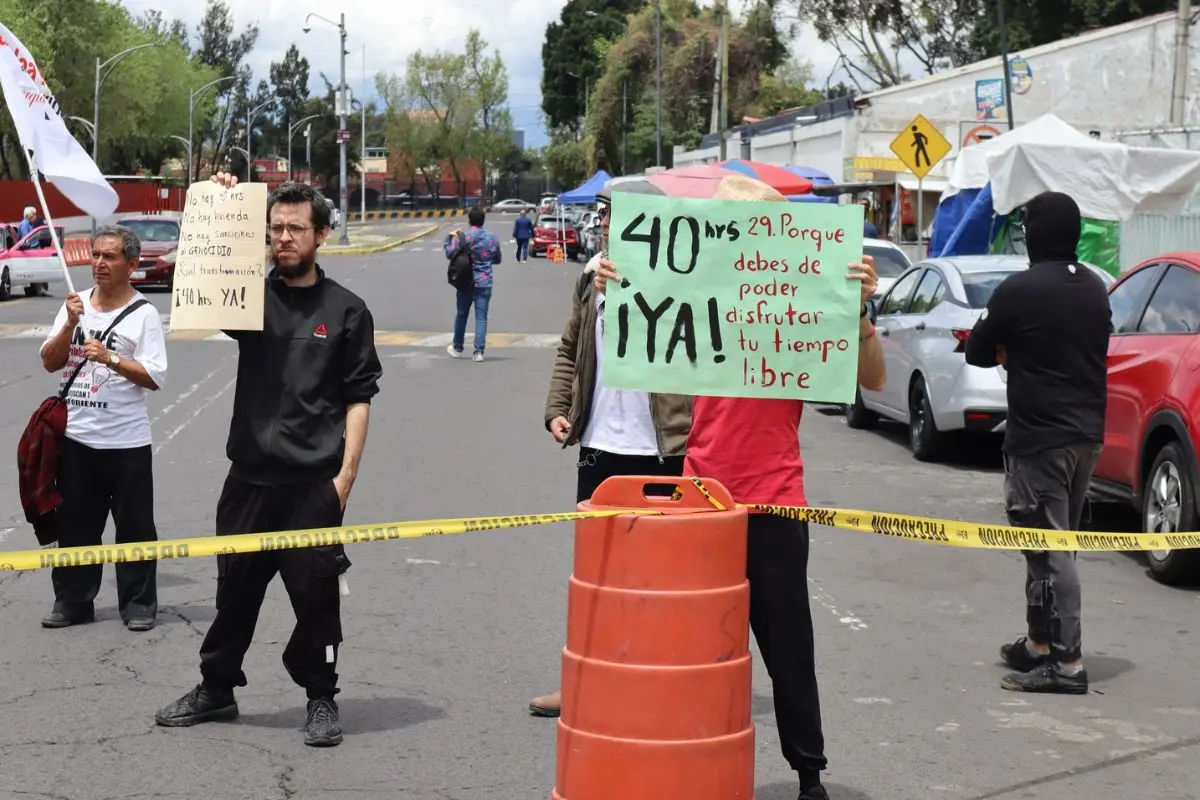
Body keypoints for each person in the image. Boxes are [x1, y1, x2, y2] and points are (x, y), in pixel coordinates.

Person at [595, 174, 886, 800]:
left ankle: (809, 775)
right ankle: (688, 767)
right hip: (700, 501)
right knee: (694, 648)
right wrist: (608, 284)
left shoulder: (799, 304)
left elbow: (874, 379)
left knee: (788, 648)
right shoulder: (689, 294)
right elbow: (629, 323)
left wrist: (859, 311)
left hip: (775, 501)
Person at [155, 175, 383, 747]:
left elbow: (359, 398)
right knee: (233, 590)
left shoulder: (348, 311)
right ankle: (217, 688)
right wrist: (220, 201)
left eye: (295, 228)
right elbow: (199, 284)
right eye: (275, 228)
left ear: (321, 234)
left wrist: (345, 478)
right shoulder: (249, 298)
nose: (282, 237)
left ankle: (321, 697)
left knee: (316, 599)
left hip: (312, 484)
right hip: (249, 481)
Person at [533, 182, 693, 718]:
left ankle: (656, 686)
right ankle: (583, 681)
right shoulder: (591, 277)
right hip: (602, 447)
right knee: (594, 575)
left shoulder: (685, 278)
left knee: (662, 578)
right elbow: (571, 347)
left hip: (664, 451)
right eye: (603, 218)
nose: (604, 227)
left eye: (615, 217)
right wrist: (560, 408)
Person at [964, 191, 1111, 695]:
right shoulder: (1094, 288)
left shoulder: (1019, 290)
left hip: (1040, 438)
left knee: (1051, 548)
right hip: (1086, 436)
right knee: (1049, 543)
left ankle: (1067, 662)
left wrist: (1010, 350)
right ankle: (1039, 643)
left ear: (1037, 235)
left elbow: (978, 352)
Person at [37, 224, 168, 632]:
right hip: (77, 439)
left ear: (131, 264)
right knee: (76, 526)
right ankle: (73, 601)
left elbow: (154, 376)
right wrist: (68, 326)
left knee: (135, 527)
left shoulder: (144, 314)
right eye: (95, 255)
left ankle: (139, 604)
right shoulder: (75, 306)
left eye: (109, 257)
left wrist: (110, 359)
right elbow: (50, 361)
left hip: (126, 442)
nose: (99, 263)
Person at [444, 206, 502, 362]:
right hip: (484, 282)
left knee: (462, 314)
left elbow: (450, 253)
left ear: (469, 220)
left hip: (465, 282)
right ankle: (478, 352)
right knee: (481, 318)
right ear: (483, 220)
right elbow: (497, 259)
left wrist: (448, 239)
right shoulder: (492, 238)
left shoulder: (464, 237)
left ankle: (457, 347)